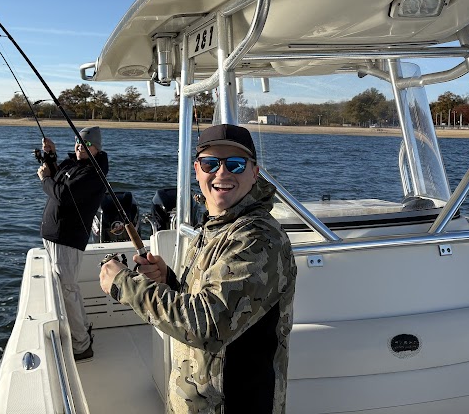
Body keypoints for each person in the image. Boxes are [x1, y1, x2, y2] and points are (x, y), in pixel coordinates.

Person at [99, 124, 296, 413]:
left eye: (236, 164)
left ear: (254, 173)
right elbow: (208, 298)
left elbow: (207, 325)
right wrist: (168, 280)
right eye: (210, 163)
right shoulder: (215, 227)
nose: (222, 173)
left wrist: (123, 283)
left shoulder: (257, 238)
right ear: (197, 169)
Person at [39, 125, 108, 362]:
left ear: (97, 148)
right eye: (78, 142)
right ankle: (83, 330)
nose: (81, 146)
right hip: (54, 236)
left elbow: (63, 194)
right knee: (66, 289)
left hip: (67, 239)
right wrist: (50, 156)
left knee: (68, 290)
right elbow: (58, 176)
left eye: (87, 144)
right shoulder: (73, 165)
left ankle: (81, 345)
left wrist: (45, 179)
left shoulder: (93, 174)